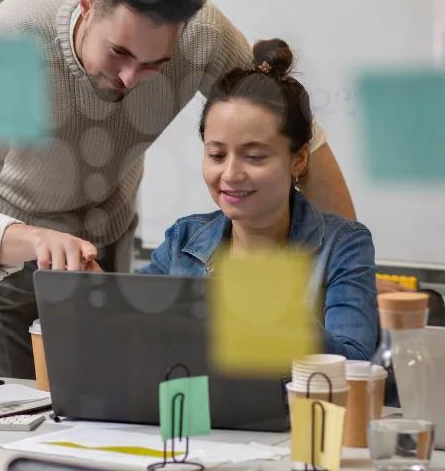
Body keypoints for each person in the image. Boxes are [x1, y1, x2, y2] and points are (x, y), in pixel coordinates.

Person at [0, 0, 356, 377]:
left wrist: (346, 265)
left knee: (111, 409)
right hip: (5, 264)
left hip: (107, 249)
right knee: (16, 410)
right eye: (120, 53)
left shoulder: (203, 36)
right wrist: (36, 240)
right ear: (88, 4)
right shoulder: (16, 40)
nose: (129, 78)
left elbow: (296, 139)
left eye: (154, 64)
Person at [137, 39, 379, 361]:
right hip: (197, 409)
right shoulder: (182, 240)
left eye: (254, 156)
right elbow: (130, 324)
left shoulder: (343, 245)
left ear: (299, 160)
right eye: (217, 155)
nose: (231, 174)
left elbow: (355, 364)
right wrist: (88, 282)